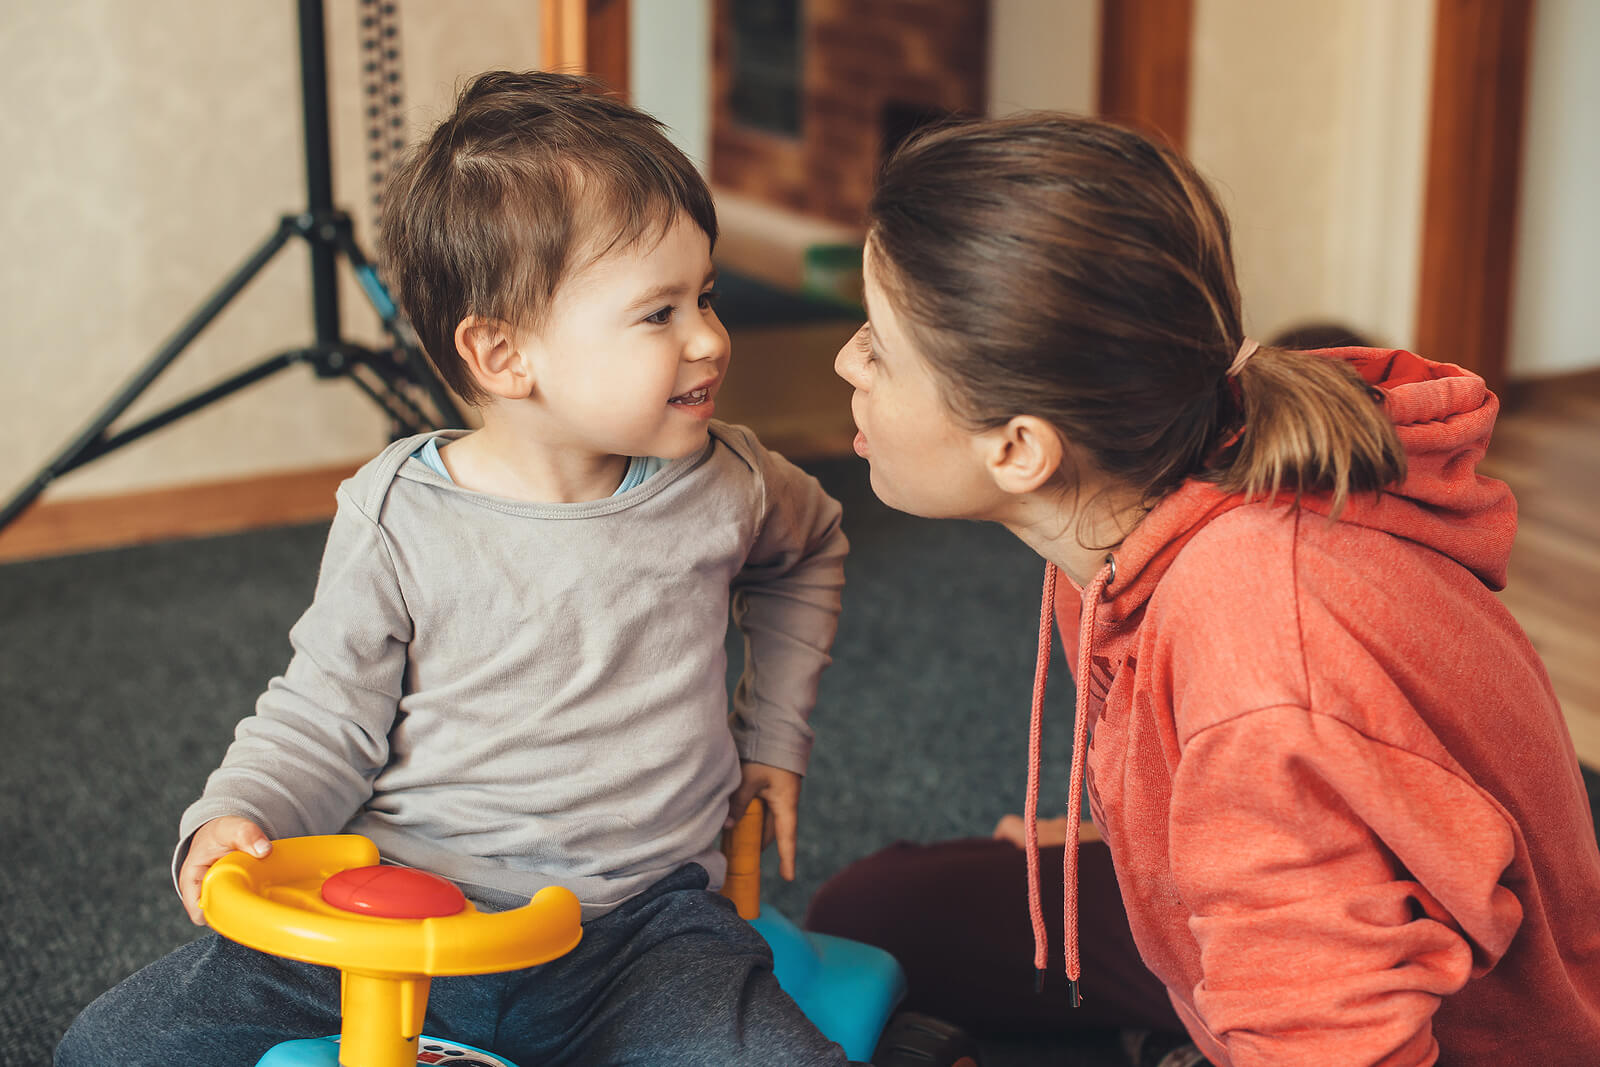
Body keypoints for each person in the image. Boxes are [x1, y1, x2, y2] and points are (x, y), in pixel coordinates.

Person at [57, 71, 855, 1067]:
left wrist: (771, 730)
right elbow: (323, 713)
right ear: (502, 353)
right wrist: (238, 813)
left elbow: (809, 546)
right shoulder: (396, 513)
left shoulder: (730, 481)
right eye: (659, 313)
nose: (709, 336)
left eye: (704, 294)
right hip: (401, 920)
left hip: (637, 933)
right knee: (110, 1044)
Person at [805, 112, 1600, 1066]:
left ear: (1019, 449)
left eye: (879, 347)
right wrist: (1148, 826)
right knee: (873, 915)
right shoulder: (1141, 489)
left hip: (1452, 1036)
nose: (847, 361)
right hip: (1271, 873)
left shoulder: (1256, 645)